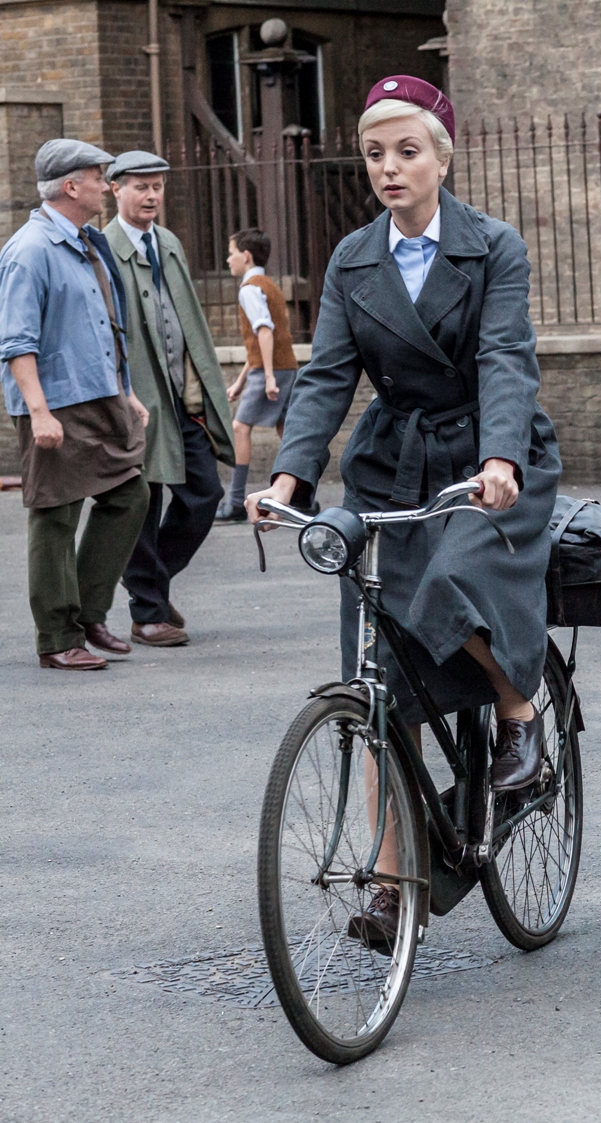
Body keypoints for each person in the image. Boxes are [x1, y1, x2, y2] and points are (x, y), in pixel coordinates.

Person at [245, 76, 562, 948]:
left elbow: (505, 356)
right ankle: (395, 879)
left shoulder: (492, 246)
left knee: (453, 580)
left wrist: (502, 455)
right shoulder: (353, 259)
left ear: (442, 158)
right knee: (380, 674)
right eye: (376, 153)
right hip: (392, 465)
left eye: (407, 151)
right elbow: (325, 378)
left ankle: (518, 714)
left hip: (486, 459)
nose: (390, 167)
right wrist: (289, 481)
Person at [0, 139, 152, 671]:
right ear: (71, 187)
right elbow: (16, 341)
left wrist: (126, 389)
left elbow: (106, 323)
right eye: (98, 177)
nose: (106, 186)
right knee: (55, 516)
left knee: (130, 493)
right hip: (57, 403)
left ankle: (88, 612)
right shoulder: (30, 250)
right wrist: (38, 411)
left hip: (101, 394)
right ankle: (57, 637)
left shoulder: (87, 242)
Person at [104, 150, 237, 647]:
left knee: (205, 494)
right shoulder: (104, 249)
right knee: (142, 501)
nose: (152, 195)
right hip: (134, 400)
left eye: (157, 186)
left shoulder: (169, 243)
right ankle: (148, 611)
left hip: (182, 399)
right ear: (115, 189)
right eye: (140, 186)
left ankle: (149, 584)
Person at [215, 227, 298, 521]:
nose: (228, 260)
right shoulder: (268, 285)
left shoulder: (250, 289)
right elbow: (258, 341)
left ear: (246, 256)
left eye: (231, 253)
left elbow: (264, 332)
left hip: (270, 371)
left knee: (240, 428)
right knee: (286, 430)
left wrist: (269, 377)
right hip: (284, 366)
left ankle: (237, 501)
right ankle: (302, 498)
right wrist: (240, 380)